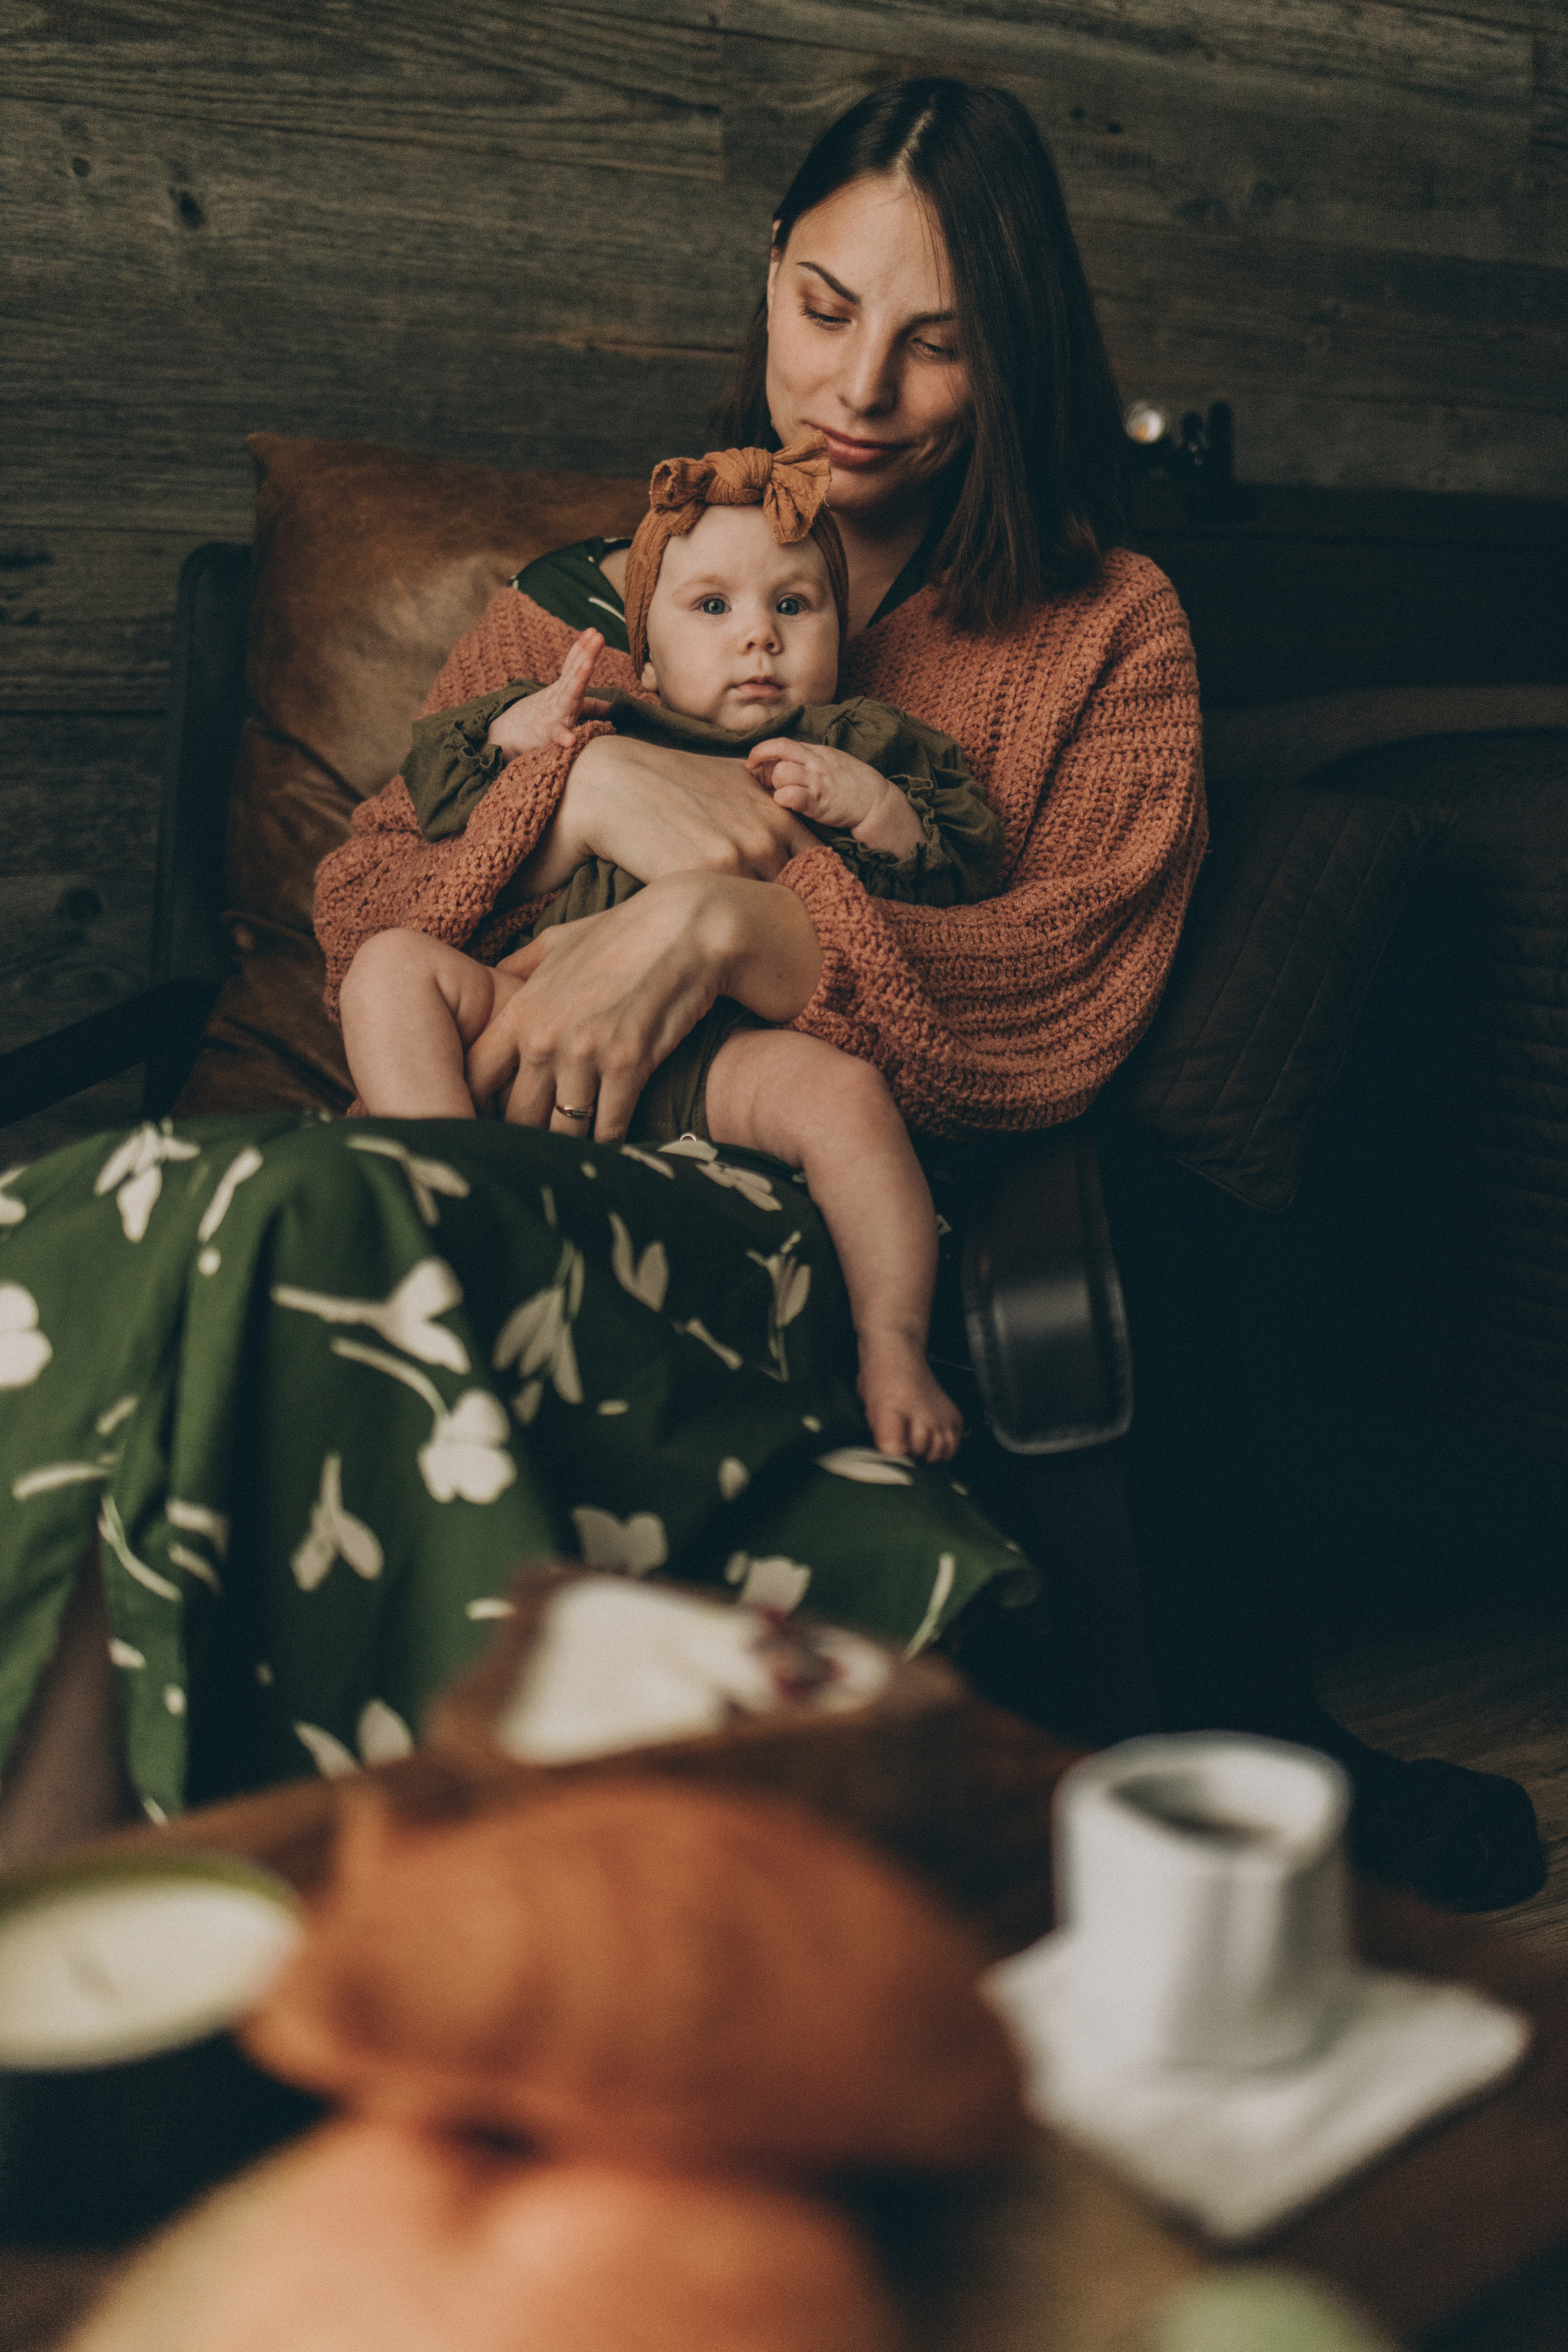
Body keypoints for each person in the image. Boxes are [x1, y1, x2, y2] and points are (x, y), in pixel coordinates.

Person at [4, 77, 1532, 1912]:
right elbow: (366, 901)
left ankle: (180, 1933)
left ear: (1014, 357)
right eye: (824, 308)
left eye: (935, 346)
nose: (858, 390)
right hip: (481, 1127)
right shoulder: (594, 592)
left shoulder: (1099, 628)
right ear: (766, 274)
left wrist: (730, 923)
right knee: (149, 1220)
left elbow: (1065, 992)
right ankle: (80, 1930)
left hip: (775, 1204)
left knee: (262, 1225)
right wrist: (574, 787)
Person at [337, 439, 1008, 1462]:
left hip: (721, 1059)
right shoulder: (604, 721)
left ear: (843, 631)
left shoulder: (863, 742)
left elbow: (965, 863)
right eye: (713, 609)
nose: (759, 640)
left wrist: (874, 811)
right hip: (539, 1011)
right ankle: (451, 1190)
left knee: (849, 1107)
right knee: (389, 968)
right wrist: (525, 731)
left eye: (795, 606)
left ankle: (894, 1345)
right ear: (642, 654)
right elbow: (439, 780)